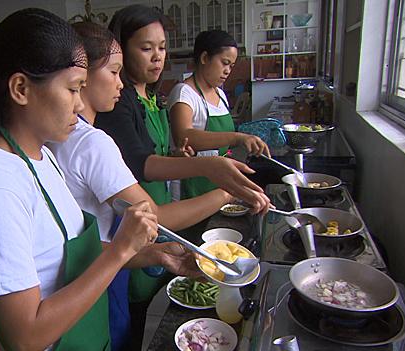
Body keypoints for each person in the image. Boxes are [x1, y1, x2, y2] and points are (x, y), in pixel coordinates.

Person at [0, 9, 163, 351]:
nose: (80, 104)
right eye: (72, 89)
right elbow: (24, 337)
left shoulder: (42, 156)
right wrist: (121, 249)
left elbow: (62, 257)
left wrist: (153, 254)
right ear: (21, 88)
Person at [94, 5, 272, 349]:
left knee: (157, 293)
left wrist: (177, 158)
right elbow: (141, 163)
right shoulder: (120, 104)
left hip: (156, 213)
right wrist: (210, 171)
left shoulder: (151, 98)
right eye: (146, 48)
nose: (157, 57)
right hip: (135, 214)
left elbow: (153, 154)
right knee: (134, 314)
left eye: (161, 47)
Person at [48, 21, 222, 350]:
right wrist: (225, 191)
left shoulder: (57, 138)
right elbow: (153, 215)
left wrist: (154, 253)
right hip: (98, 272)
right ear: (81, 76)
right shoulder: (90, 142)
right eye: (113, 72)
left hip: (90, 264)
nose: (120, 82)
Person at [168, 30, 271, 199]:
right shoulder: (184, 93)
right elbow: (184, 136)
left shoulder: (220, 95)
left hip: (218, 179)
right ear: (204, 58)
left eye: (231, 66)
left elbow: (219, 143)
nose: (228, 71)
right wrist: (237, 137)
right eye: (224, 63)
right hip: (191, 184)